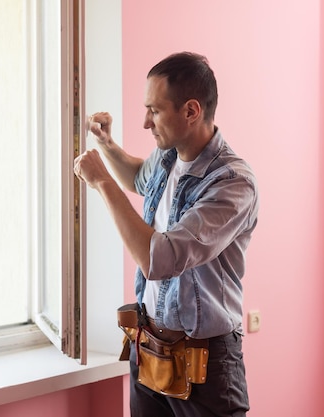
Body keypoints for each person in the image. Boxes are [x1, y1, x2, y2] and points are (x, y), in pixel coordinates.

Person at [74, 52, 258, 417]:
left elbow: (160, 259)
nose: (145, 122)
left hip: (205, 364)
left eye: (155, 111)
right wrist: (107, 146)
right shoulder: (169, 155)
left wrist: (102, 183)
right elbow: (140, 179)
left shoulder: (232, 183)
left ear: (191, 111)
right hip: (149, 349)